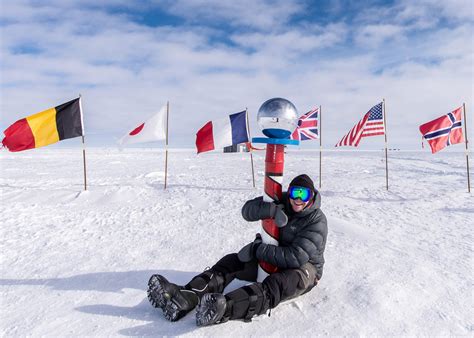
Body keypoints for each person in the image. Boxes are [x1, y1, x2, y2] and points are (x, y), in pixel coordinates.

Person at [147, 174, 328, 326]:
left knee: (277, 284)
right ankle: (187, 296)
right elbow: (247, 211)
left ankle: (223, 308)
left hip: (306, 268)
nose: (297, 199)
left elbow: (295, 257)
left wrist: (259, 249)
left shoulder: (316, 221)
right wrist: (268, 209)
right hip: (274, 254)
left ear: (312, 197)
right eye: (294, 192)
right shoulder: (283, 201)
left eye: (304, 195)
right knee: (232, 262)